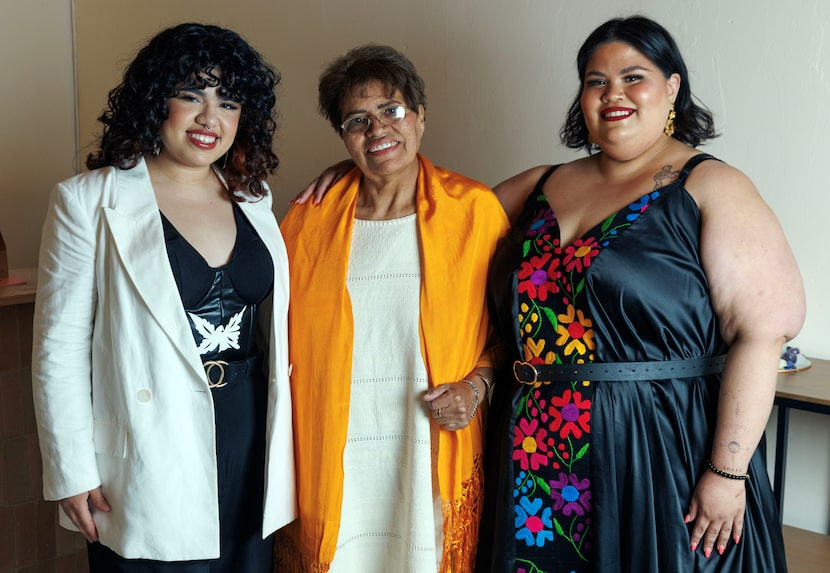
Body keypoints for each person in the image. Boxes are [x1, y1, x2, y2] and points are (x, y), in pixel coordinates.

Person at [297, 16, 805, 573]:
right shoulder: (540, 184)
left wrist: (727, 474)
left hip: (660, 449)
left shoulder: (710, 185)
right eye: (595, 80)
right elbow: (434, 213)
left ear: (673, 88)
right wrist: (356, 171)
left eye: (633, 76)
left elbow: (763, 333)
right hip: (537, 451)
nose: (613, 94)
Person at [31, 23, 295, 572]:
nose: (210, 118)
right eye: (191, 95)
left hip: (250, 435)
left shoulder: (254, 197)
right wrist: (71, 470)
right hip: (151, 438)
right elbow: (59, 349)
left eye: (228, 101)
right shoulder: (87, 201)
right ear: (156, 101)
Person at [274, 44, 509, 573]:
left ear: (420, 118)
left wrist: (475, 389)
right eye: (357, 120)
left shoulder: (473, 212)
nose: (377, 128)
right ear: (343, 137)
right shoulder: (306, 222)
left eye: (392, 110)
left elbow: (511, 336)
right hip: (332, 456)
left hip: (429, 452)